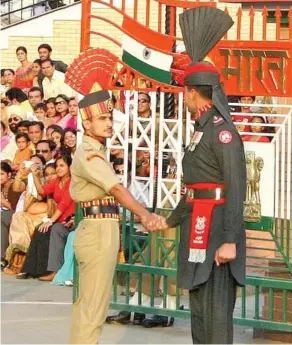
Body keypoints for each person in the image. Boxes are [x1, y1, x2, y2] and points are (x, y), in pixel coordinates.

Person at [145, 7, 246, 344]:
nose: (184, 98)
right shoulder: (198, 131)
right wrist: (170, 221)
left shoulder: (223, 133)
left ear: (193, 92)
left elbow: (235, 186)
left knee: (217, 317)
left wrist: (231, 238)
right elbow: (193, 191)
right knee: (200, 313)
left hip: (218, 232)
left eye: (185, 92)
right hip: (197, 230)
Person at [68, 89, 162, 344]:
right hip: (98, 230)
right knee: (94, 304)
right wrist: (145, 214)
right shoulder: (89, 153)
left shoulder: (95, 150)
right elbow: (117, 189)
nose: (109, 123)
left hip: (101, 227)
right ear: (87, 124)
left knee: (91, 301)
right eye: (102, 119)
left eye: (109, 117)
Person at [21, 155, 75, 280]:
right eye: (57, 166)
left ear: (70, 167)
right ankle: (34, 270)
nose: (58, 169)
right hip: (60, 220)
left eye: (62, 166)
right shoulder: (57, 182)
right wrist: (34, 174)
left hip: (71, 221)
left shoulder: (72, 183)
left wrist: (50, 221)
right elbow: (41, 192)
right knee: (40, 229)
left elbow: (64, 204)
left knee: (53, 229)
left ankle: (54, 271)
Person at [1, 162, 22, 269]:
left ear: (9, 175)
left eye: (1, 174)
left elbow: (14, 207)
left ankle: (2, 257)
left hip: (15, 215)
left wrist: (2, 200)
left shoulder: (14, 186)